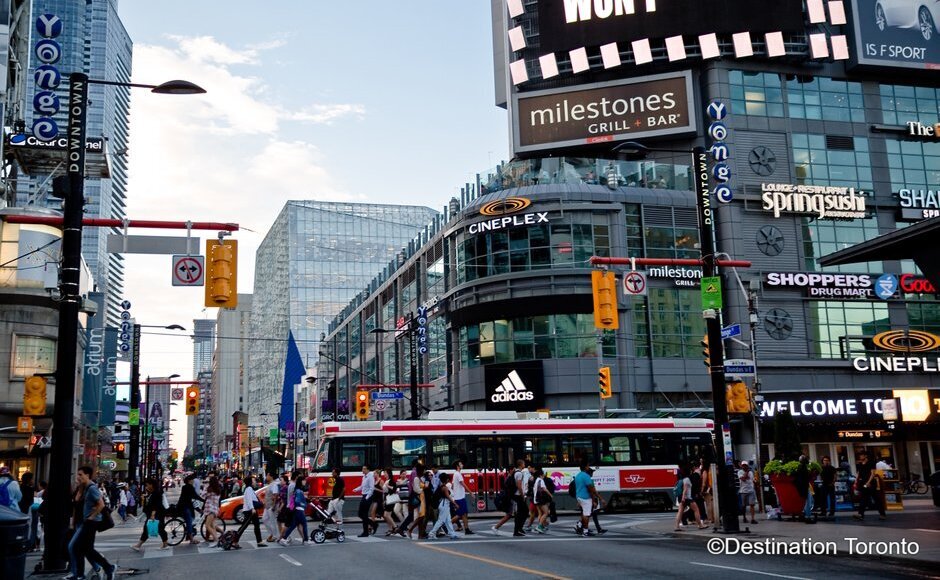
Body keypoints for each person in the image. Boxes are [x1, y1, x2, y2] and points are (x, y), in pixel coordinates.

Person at [66, 466, 115, 580]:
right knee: (85, 549)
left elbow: (101, 504)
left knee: (76, 547)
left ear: (87, 475)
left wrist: (91, 517)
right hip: (85, 522)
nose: (78, 476)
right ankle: (104, 568)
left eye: (80, 474)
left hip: (90, 523)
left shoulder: (91, 488)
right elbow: (77, 506)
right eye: (78, 474)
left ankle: (103, 568)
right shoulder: (84, 487)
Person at [131, 478, 169, 551]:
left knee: (157, 529)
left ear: (151, 485)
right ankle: (165, 544)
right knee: (156, 529)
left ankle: (138, 545)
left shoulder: (157, 493)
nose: (146, 486)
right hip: (154, 514)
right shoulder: (151, 493)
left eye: (147, 485)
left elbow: (156, 505)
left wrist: (153, 514)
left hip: (158, 514)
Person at [231, 475, 266, 549]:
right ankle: (234, 541)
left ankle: (259, 541)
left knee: (256, 525)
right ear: (250, 482)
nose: (255, 482)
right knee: (244, 526)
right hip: (249, 511)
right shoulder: (249, 489)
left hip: (252, 510)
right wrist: (252, 508)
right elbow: (250, 500)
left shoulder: (250, 489)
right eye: (253, 480)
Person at [279, 474, 312, 546]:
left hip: (296, 510)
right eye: (304, 480)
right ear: (301, 481)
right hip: (299, 510)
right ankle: (306, 540)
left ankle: (283, 539)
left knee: (293, 526)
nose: (305, 481)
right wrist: (304, 504)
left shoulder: (297, 490)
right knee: (304, 525)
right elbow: (297, 501)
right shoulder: (299, 491)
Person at [574, 461, 603, 537]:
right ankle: (585, 531)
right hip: (586, 497)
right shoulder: (586, 476)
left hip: (579, 496)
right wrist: (597, 499)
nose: (588, 467)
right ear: (586, 467)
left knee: (585, 513)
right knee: (587, 514)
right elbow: (591, 489)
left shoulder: (578, 475)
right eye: (588, 466)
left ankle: (581, 526)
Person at [853, 452, 886, 521]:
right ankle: (860, 514)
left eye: (861, 455)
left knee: (876, 498)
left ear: (865, 456)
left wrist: (869, 482)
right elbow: (858, 473)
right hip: (863, 483)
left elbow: (873, 473)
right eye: (860, 456)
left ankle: (882, 514)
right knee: (863, 499)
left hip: (871, 483)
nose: (860, 457)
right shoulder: (860, 464)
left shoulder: (871, 463)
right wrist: (856, 481)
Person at [426, 473, 459, 540]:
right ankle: (431, 533)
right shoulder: (444, 487)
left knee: (448, 520)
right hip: (444, 505)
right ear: (446, 479)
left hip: (444, 505)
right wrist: (455, 504)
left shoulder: (441, 486)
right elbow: (448, 497)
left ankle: (452, 534)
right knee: (441, 520)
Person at [673, 467, 706, 532]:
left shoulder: (681, 479)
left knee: (680, 512)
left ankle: (676, 526)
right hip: (687, 498)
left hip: (681, 498)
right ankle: (700, 525)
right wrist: (683, 497)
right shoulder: (687, 479)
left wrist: (682, 498)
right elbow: (685, 489)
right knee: (696, 510)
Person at [449, 460, 473, 535]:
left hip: (459, 497)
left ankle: (467, 529)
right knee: (460, 515)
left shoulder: (456, 474)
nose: (462, 464)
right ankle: (446, 525)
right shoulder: (458, 474)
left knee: (464, 514)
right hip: (459, 498)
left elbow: (452, 485)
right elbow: (463, 484)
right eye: (460, 464)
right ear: (457, 466)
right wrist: (471, 492)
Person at [178, 474, 202, 544]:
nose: (193, 481)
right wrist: (203, 500)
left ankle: (188, 536)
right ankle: (191, 539)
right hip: (185, 507)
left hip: (182, 506)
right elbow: (195, 496)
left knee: (190, 520)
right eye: (192, 480)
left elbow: (192, 497)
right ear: (189, 481)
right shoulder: (190, 487)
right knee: (189, 522)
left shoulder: (184, 487)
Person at [406, 464, 428, 539]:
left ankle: (420, 535)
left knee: (421, 517)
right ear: (420, 470)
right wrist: (424, 487)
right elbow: (416, 489)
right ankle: (410, 530)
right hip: (420, 498)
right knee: (421, 516)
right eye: (423, 470)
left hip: (422, 498)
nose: (424, 471)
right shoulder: (416, 479)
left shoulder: (419, 478)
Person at [353, 464, 375, 537]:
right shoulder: (364, 477)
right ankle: (373, 524)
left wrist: (367, 497)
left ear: (368, 470)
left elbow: (372, 488)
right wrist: (356, 489)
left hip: (368, 496)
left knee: (363, 514)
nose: (362, 470)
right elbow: (362, 486)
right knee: (361, 514)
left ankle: (366, 532)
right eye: (362, 469)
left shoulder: (370, 477)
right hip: (364, 496)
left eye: (364, 469)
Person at [794, 455, 816, 524]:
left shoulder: (799, 467)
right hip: (804, 486)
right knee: (809, 502)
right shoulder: (803, 467)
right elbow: (806, 477)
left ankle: (805, 515)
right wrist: (811, 472)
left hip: (802, 486)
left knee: (808, 501)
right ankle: (807, 517)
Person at [202, 477, 222, 546]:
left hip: (210, 509)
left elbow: (202, 496)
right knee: (212, 525)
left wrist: (205, 487)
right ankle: (215, 538)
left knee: (207, 526)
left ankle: (216, 540)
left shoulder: (210, 490)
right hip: (215, 509)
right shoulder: (217, 490)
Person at [531, 467, 552, 534]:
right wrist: (550, 495)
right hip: (540, 499)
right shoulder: (540, 480)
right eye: (543, 475)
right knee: (546, 513)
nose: (544, 476)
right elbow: (544, 489)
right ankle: (539, 526)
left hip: (536, 499)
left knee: (541, 513)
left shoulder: (536, 480)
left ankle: (541, 526)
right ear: (540, 475)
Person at [512, 459, 530, 537]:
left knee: (522, 512)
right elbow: (519, 485)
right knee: (523, 512)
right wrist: (522, 495)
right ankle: (517, 530)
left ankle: (519, 528)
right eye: (524, 463)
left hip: (517, 495)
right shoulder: (519, 473)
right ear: (521, 464)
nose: (524, 465)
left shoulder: (516, 472)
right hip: (518, 495)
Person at [262, 473, 280, 543]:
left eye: (267, 475)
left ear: (271, 476)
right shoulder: (270, 484)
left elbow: (275, 495)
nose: (266, 477)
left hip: (271, 506)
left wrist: (273, 505)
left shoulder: (274, 485)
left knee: (272, 521)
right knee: (264, 519)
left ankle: (275, 535)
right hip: (267, 506)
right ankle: (272, 533)